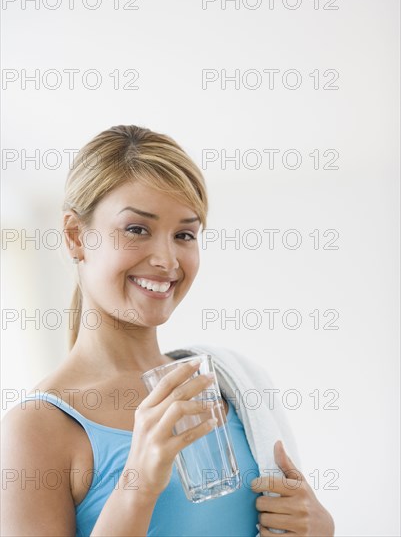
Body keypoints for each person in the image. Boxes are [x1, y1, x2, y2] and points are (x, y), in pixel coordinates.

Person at [1, 125, 335, 536]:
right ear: (76, 236)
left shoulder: (226, 386)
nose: (167, 259)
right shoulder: (34, 430)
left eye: (184, 235)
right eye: (137, 229)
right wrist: (137, 485)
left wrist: (318, 527)